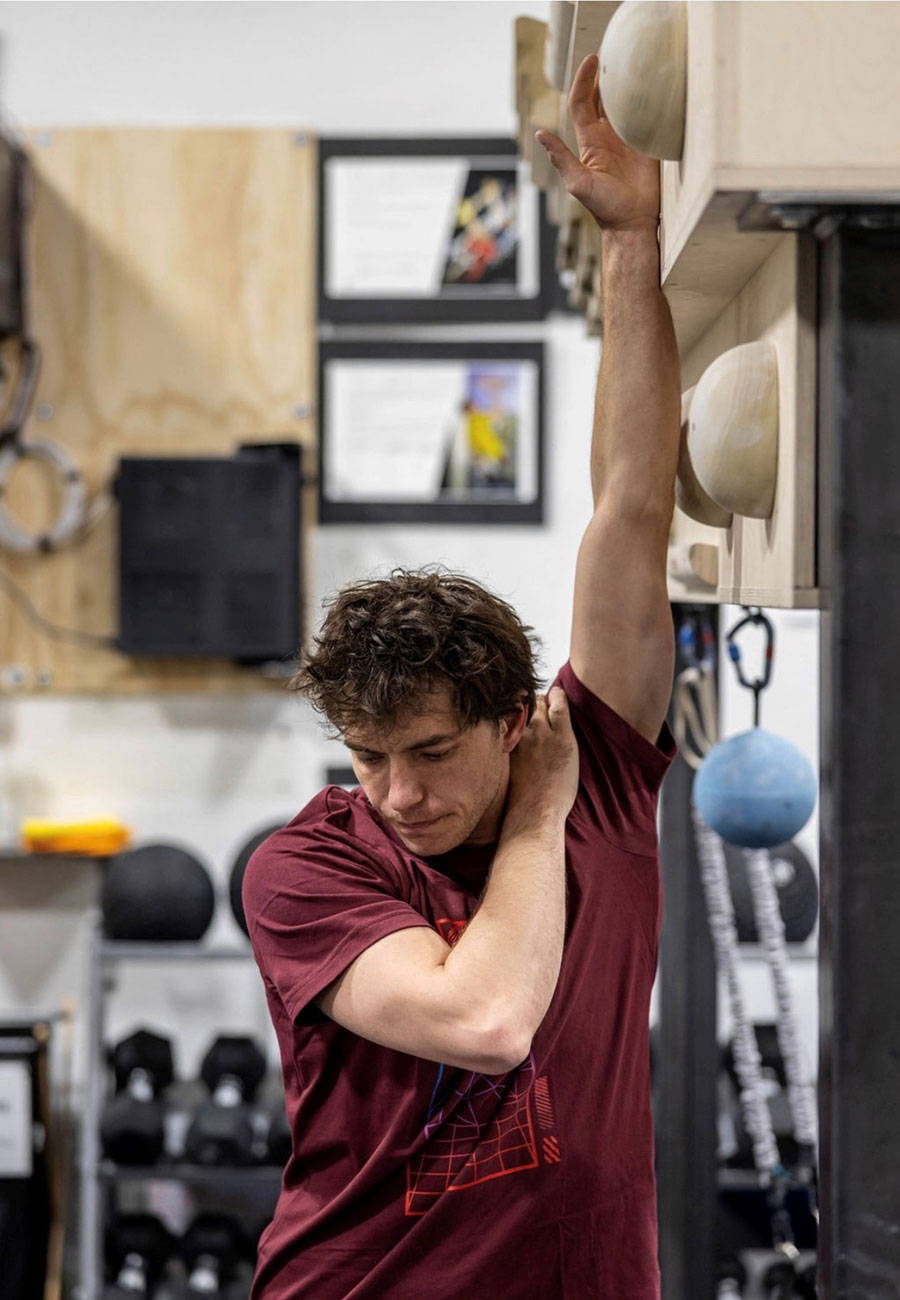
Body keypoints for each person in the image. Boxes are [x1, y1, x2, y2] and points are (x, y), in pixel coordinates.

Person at [244, 52, 682, 1300]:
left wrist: (633, 246)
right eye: (367, 755)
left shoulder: (594, 764)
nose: (395, 792)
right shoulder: (309, 868)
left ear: (512, 717)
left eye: (431, 752)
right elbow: (484, 1022)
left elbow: (630, 510)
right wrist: (537, 812)